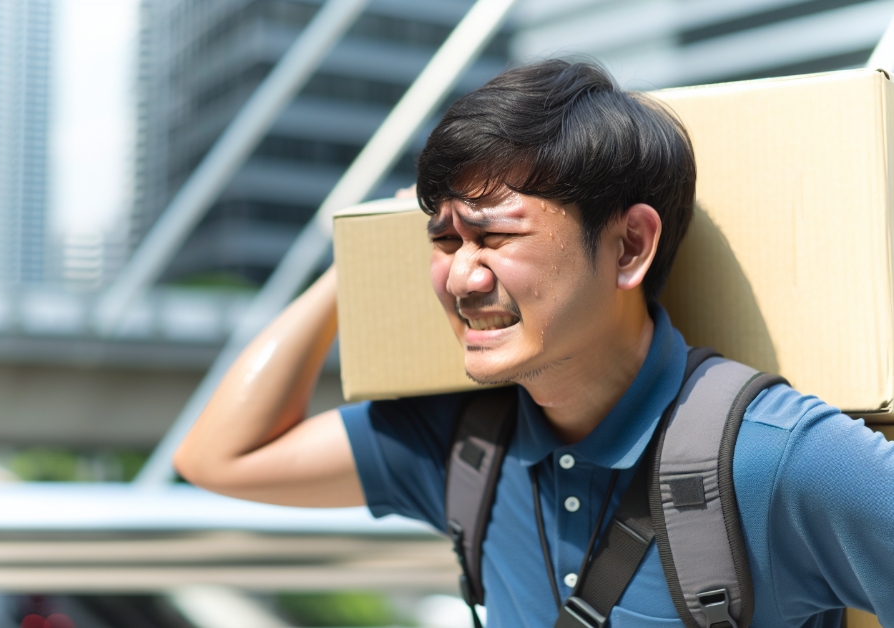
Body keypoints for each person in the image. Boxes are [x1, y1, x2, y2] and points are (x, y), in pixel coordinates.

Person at [173, 59, 894, 627]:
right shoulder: (467, 453)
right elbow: (216, 457)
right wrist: (352, 266)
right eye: (442, 239)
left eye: (494, 235)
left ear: (628, 247)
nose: (459, 275)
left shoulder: (778, 458)